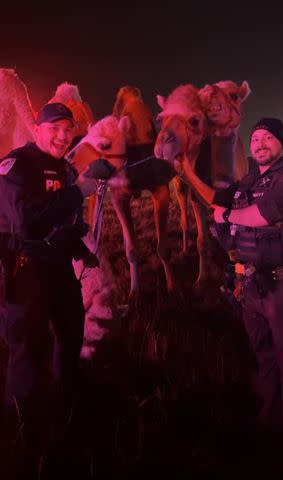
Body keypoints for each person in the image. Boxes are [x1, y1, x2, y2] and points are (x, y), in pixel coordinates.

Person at [174, 118, 283, 462]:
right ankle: (269, 425)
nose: (259, 144)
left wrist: (228, 216)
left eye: (268, 138)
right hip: (250, 286)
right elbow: (218, 202)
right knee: (264, 357)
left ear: (281, 145)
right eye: (255, 138)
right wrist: (188, 173)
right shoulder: (247, 183)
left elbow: (263, 215)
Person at [0, 102, 112, 477]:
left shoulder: (64, 169)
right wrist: (77, 191)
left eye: (69, 130)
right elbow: (28, 223)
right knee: (28, 348)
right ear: (36, 129)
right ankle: (20, 424)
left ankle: (68, 405)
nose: (64, 136)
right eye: (56, 128)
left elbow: (64, 221)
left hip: (59, 269)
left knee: (70, 333)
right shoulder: (17, 167)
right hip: (26, 270)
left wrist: (81, 248)